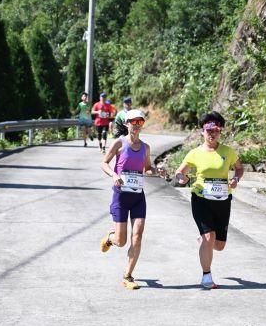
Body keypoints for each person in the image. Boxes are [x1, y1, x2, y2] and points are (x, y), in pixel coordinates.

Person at [174, 111, 244, 289]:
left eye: (217, 130)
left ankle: (205, 242)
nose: (212, 133)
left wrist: (236, 178)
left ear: (220, 132)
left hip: (222, 201)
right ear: (202, 132)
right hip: (201, 200)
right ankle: (206, 277)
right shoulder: (195, 153)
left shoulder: (228, 152)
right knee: (209, 236)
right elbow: (179, 171)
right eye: (209, 130)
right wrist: (181, 178)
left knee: (219, 245)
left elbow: (239, 168)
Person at [99, 109, 164, 290]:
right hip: (121, 196)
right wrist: (113, 175)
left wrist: (157, 171)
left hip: (138, 197)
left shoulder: (145, 147)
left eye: (140, 122)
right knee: (121, 241)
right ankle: (110, 238)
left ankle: (127, 276)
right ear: (127, 124)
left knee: (137, 236)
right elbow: (104, 163)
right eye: (133, 122)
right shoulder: (119, 144)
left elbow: (148, 168)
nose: (136, 125)